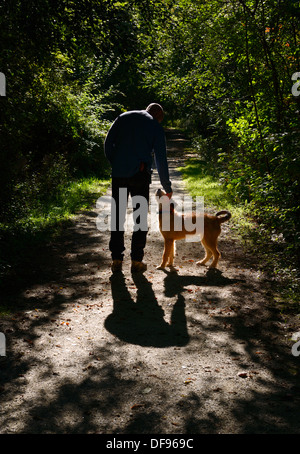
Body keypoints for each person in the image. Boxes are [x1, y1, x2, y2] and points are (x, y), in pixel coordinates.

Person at [104, 103, 173, 272]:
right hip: (140, 175)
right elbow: (161, 159)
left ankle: (116, 260)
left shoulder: (123, 117)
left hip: (119, 174)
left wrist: (116, 162)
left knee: (117, 216)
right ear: (158, 116)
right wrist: (167, 186)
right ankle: (136, 261)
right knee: (140, 218)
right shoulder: (155, 126)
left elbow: (107, 144)